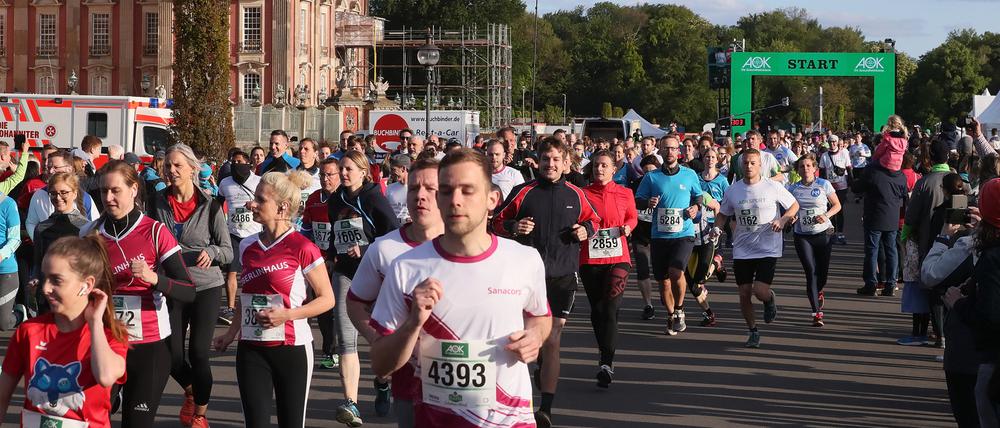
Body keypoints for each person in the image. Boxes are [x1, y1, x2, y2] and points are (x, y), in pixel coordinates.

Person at [370, 148, 551, 427]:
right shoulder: (406, 267)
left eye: (467, 191)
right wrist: (413, 324)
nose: (455, 200)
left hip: (509, 420)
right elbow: (381, 365)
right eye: (446, 191)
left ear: (492, 199)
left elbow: (540, 316)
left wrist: (535, 337)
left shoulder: (524, 260)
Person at [212, 172, 335, 428]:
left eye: (260, 199)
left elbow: (327, 299)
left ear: (282, 207)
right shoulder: (247, 245)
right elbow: (246, 296)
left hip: (291, 348)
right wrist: (231, 333)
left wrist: (287, 315)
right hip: (251, 347)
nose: (252, 204)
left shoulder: (303, 247)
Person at [80, 160, 196, 426]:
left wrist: (154, 279)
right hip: (105, 342)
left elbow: (188, 291)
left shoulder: (155, 232)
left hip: (149, 347)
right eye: (103, 191)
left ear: (133, 190)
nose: (108, 198)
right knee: (91, 419)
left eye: (115, 191)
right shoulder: (90, 233)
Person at [492, 137, 599, 427]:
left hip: (562, 275)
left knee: (552, 339)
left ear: (565, 163)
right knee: (523, 340)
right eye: (545, 159)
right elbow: (496, 222)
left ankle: (545, 410)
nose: (550, 165)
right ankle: (519, 399)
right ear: (537, 161)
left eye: (555, 160)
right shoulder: (523, 191)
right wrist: (514, 226)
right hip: (525, 278)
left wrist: (585, 230)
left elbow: (594, 220)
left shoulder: (576, 194)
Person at [348, 157, 444, 427]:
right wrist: (380, 340)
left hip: (468, 388)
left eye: (430, 189)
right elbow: (355, 302)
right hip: (409, 380)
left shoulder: (468, 247)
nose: (420, 196)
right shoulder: (384, 248)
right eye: (413, 189)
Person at [146, 143, 233, 427]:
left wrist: (213, 252)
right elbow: (150, 240)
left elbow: (228, 251)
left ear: (193, 169)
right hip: (172, 285)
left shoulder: (210, 205)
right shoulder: (157, 201)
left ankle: (199, 415)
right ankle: (192, 390)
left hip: (206, 286)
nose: (171, 171)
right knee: (171, 354)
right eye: (167, 166)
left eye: (177, 166)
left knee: (198, 353)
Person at [0, 236, 128, 427]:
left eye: (56, 280)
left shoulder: (110, 336)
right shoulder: (29, 331)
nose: (45, 288)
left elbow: (105, 376)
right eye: (45, 278)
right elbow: (2, 396)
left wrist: (95, 323)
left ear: (87, 285)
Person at [327, 150, 399, 425]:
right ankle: (351, 403)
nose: (343, 174)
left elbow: (393, 234)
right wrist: (331, 257)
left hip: (375, 275)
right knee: (346, 339)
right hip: (345, 272)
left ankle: (382, 382)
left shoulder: (373, 198)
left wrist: (366, 248)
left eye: (349, 169)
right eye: (341, 169)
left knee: (379, 337)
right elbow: (335, 231)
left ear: (363, 172)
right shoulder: (335, 200)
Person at [715, 149, 799, 348]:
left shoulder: (772, 186)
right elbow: (723, 214)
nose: (749, 166)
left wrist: (783, 219)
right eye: (745, 163)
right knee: (744, 293)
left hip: (767, 247)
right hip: (742, 248)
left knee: (759, 291)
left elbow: (794, 205)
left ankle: (768, 299)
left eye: (753, 163)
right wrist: (717, 228)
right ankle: (753, 330)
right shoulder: (733, 190)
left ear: (760, 165)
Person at [634, 135, 704, 335]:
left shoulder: (689, 174)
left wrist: (695, 208)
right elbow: (638, 200)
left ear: (678, 151)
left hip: (684, 233)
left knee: (676, 272)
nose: (670, 152)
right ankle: (671, 314)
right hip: (659, 235)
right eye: (666, 148)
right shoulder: (651, 177)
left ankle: (680, 309)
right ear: (661, 151)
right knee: (663, 281)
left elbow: (698, 197)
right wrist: (647, 203)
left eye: (673, 148)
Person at [580, 150, 637, 388]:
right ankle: (603, 349)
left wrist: (628, 227)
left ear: (614, 169)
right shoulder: (583, 194)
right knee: (598, 310)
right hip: (591, 259)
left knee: (611, 307)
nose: (599, 169)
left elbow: (633, 217)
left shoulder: (625, 192)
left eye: (604, 165)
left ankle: (606, 363)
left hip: (618, 257)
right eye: (596, 165)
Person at [787, 154, 842, 326]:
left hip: (823, 234)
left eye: (808, 166)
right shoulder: (793, 188)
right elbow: (789, 211)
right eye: (801, 166)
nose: (805, 169)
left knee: (822, 274)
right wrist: (791, 218)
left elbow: (837, 205)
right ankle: (816, 313)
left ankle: (819, 290)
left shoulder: (823, 184)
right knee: (811, 272)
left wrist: (826, 215)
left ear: (815, 168)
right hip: (802, 236)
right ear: (798, 170)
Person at [300, 158, 341, 371]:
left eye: (330, 175)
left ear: (339, 175)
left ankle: (347, 348)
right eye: (323, 175)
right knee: (323, 308)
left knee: (342, 308)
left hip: (343, 260)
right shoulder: (314, 198)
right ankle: (330, 351)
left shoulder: (345, 198)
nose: (325, 179)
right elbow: (306, 230)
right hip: (319, 260)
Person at [30, 173, 90, 316]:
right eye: (53, 193)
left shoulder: (86, 227)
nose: (58, 198)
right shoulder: (42, 228)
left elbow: (91, 265)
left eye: (64, 192)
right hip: (48, 296)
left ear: (75, 193)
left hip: (76, 295)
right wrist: (35, 279)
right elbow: (38, 261)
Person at [217, 151, 263, 326]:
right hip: (233, 233)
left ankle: (257, 305)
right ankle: (230, 308)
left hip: (254, 234)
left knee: (255, 272)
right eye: (233, 162)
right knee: (231, 272)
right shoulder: (225, 183)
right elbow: (218, 204)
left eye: (240, 161)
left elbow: (265, 202)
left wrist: (255, 206)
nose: (236, 165)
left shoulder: (258, 181)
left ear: (248, 163)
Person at [687, 147, 727, 327]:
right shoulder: (676, 195)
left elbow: (718, 206)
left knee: (700, 278)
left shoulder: (703, 195)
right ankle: (709, 313)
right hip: (687, 240)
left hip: (706, 237)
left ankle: (715, 264)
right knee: (693, 285)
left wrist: (717, 227)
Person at [26, 151, 100, 240]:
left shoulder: (86, 198)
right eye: (49, 167)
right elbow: (31, 222)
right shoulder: (39, 195)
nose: (50, 171)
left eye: (55, 167)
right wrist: (38, 240)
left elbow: (96, 227)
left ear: (69, 169)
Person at [633, 156, 660, 320]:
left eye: (652, 172)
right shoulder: (636, 184)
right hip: (640, 233)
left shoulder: (664, 183)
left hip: (660, 233)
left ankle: (666, 294)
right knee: (643, 270)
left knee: (661, 271)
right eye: (645, 172)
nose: (648, 176)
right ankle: (648, 304)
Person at [819, 135, 852, 244]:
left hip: (842, 187)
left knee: (840, 210)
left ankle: (840, 234)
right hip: (829, 188)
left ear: (837, 142)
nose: (832, 144)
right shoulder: (824, 156)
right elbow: (822, 173)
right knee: (830, 211)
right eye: (830, 142)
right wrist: (821, 187)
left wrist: (851, 183)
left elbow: (849, 168)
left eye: (834, 142)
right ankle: (831, 234)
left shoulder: (844, 153)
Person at [0, 181, 19, 331]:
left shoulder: (8, 203)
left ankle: (19, 313)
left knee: (3, 323)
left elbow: (15, 239)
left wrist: (1, 254)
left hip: (5, 270)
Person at [385, 155, 412, 224]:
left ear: (403, 169)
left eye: (393, 169)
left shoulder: (416, 188)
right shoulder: (389, 188)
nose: (391, 173)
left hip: (412, 227)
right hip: (395, 227)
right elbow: (386, 210)